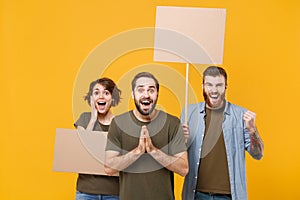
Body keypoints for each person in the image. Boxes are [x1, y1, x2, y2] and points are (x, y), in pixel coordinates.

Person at [181, 66, 264, 200]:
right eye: (209, 85)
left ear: (226, 86)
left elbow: (258, 154)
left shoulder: (241, 115)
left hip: (229, 196)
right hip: (196, 194)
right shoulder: (189, 113)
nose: (214, 90)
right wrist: (181, 140)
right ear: (202, 86)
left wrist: (252, 130)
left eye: (219, 85)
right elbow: (178, 155)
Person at [105, 72, 189, 200]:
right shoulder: (118, 123)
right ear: (133, 95)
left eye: (151, 90)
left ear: (157, 95)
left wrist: (153, 150)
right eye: (141, 90)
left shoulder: (172, 123)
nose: (146, 95)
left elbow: (183, 169)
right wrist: (138, 151)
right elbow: (109, 167)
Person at [74, 78, 121, 200]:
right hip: (86, 191)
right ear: (91, 98)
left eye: (106, 93)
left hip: (113, 192)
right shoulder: (84, 119)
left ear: (113, 98)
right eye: (96, 93)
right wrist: (93, 119)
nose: (101, 96)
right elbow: (81, 149)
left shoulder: (121, 123)